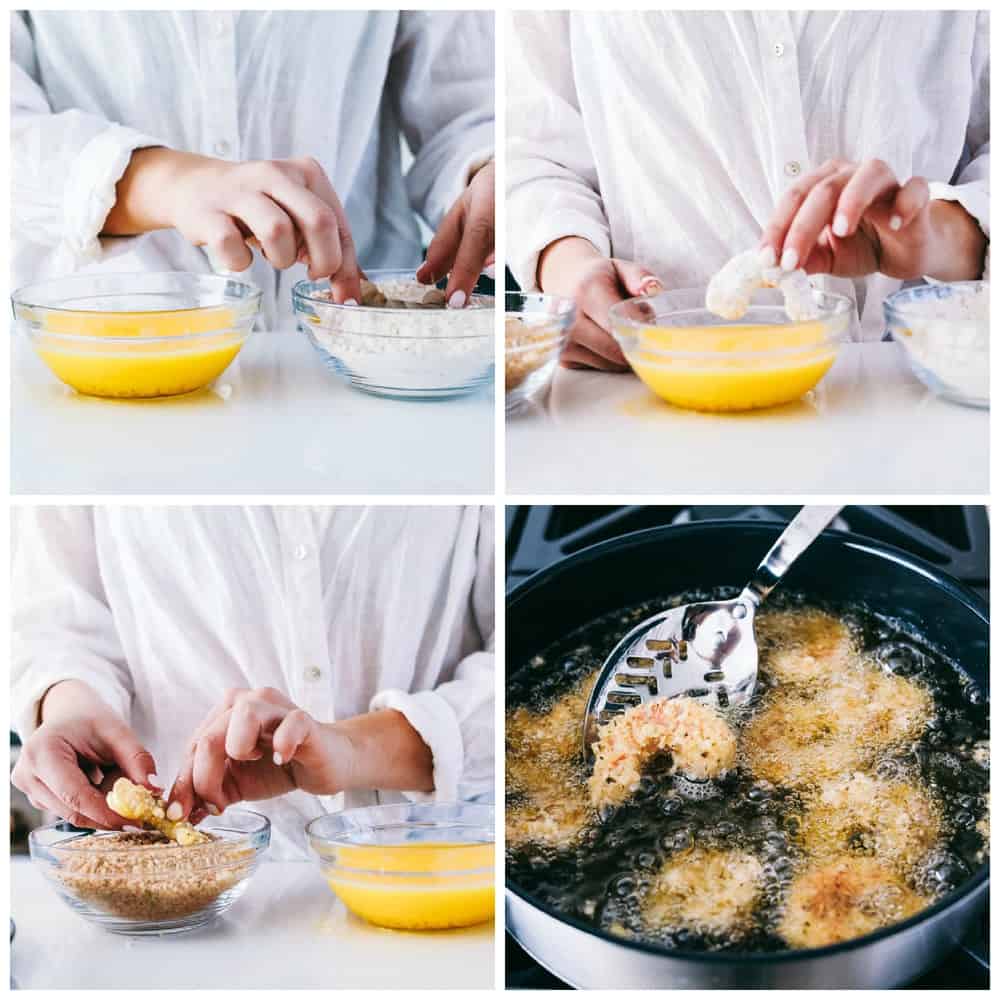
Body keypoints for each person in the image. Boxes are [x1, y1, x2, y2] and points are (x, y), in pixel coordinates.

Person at [506, 11, 988, 370]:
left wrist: (944, 233)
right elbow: (532, 140)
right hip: (636, 395)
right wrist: (567, 266)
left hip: (923, 390)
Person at [11, 506, 493, 855]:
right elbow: (54, 614)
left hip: (448, 863)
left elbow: (532, 653)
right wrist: (69, 707)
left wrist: (352, 750)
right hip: (171, 890)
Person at [13, 11, 495, 327]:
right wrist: (164, 182)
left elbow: (469, 104)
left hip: (361, 354)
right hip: (88, 338)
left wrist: (498, 172)